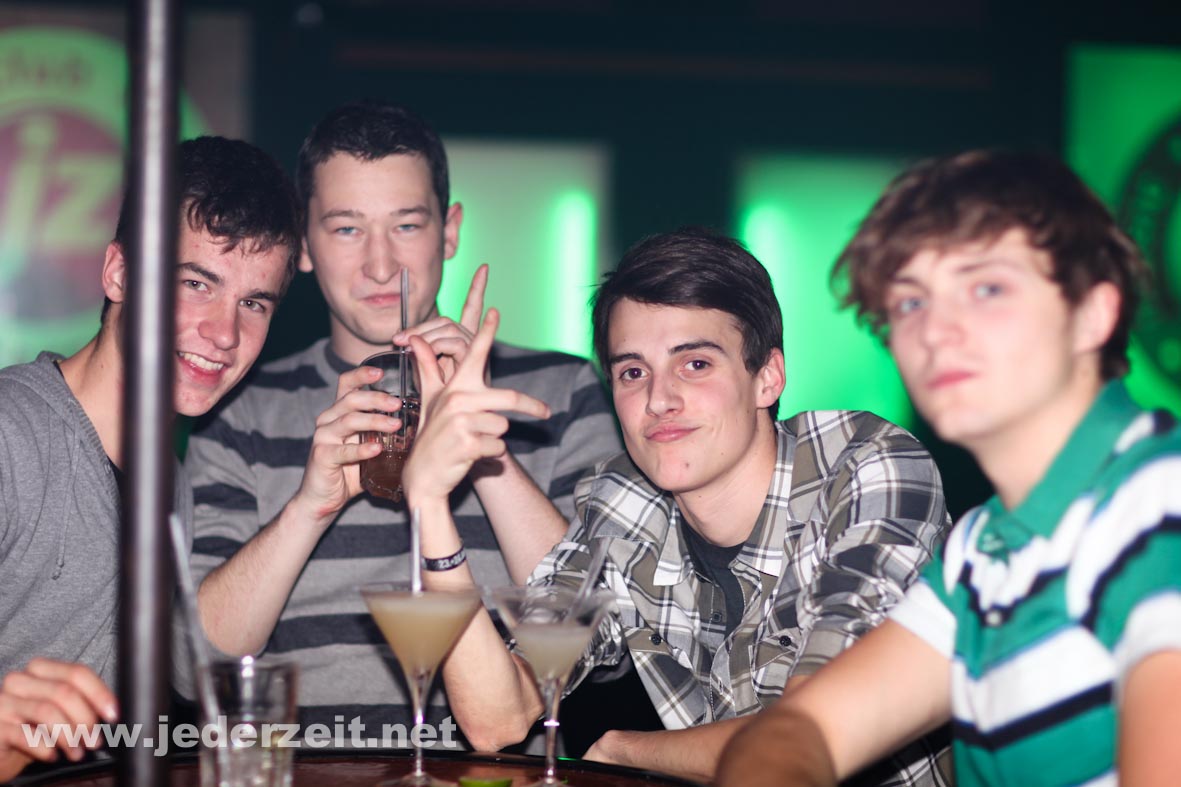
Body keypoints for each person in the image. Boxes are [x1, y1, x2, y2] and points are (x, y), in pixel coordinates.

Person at [407, 228, 953, 784]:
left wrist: (625, 751)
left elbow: (816, 733)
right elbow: (497, 718)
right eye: (633, 372)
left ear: (767, 378)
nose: (659, 399)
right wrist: (430, 503)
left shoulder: (866, 467)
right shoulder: (620, 503)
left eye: (695, 364)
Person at [717, 150, 1181, 787]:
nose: (935, 331)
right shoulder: (984, 546)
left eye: (986, 289)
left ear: (1093, 314)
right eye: (911, 303)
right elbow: (799, 729)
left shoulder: (1158, 503)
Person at [182, 100, 621, 738]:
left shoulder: (562, 390)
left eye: (407, 226)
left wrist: (486, 448)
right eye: (346, 229)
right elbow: (195, 662)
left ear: (450, 231)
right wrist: (309, 507)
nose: (381, 266)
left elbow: (607, 641)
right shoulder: (241, 408)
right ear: (303, 245)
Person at [0, 135, 301, 780]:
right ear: (118, 273)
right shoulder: (10, 438)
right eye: (196, 283)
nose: (224, 333)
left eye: (253, 303)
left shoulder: (171, 482)